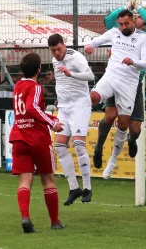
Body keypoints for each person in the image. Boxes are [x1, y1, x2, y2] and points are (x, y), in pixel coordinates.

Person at [84, 8, 146, 179]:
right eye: (120, 24)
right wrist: (90, 46)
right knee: (93, 98)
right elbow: (97, 41)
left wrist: (133, 61)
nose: (122, 27)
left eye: (126, 23)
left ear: (134, 21)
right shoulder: (114, 32)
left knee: (124, 125)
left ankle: (113, 161)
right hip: (111, 77)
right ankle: (96, 146)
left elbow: (145, 64)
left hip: (130, 84)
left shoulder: (144, 37)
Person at [9, 52, 65, 233]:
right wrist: (52, 123)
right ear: (39, 69)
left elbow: (30, 110)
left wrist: (52, 119)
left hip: (19, 136)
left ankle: (25, 217)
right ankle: (55, 222)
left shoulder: (17, 86)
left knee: (25, 181)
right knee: (48, 179)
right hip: (37, 138)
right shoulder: (37, 87)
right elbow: (33, 108)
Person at [48, 33, 95, 205]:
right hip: (64, 107)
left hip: (80, 105)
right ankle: (74, 188)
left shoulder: (76, 58)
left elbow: (90, 76)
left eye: (58, 49)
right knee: (59, 147)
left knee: (78, 145)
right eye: (53, 51)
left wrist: (71, 74)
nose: (56, 53)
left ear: (63, 44)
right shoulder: (54, 60)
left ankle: (88, 188)